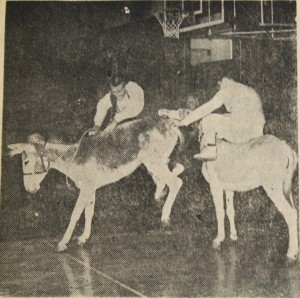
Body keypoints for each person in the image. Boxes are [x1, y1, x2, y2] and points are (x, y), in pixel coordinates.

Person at [161, 77, 265, 161]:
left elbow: (206, 108)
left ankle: (210, 150)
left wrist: (183, 122)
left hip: (244, 133)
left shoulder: (226, 89)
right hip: (257, 131)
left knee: (209, 119)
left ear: (221, 81)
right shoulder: (244, 89)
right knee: (223, 117)